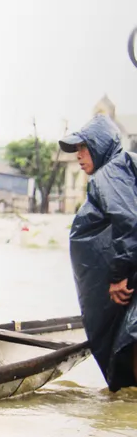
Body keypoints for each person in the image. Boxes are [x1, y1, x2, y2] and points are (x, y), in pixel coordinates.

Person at [62, 114, 137, 390]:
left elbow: (129, 222)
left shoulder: (109, 174)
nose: (79, 156)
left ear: (101, 145)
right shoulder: (125, 167)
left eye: (83, 147)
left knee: (130, 342)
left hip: (129, 282)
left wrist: (119, 277)